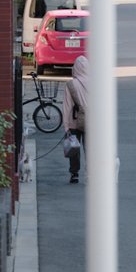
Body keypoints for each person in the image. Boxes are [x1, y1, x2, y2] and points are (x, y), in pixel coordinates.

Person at [63, 54, 88, 184]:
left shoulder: (71, 84)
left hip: (74, 121)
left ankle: (74, 174)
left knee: (74, 148)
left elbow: (67, 106)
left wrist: (66, 126)